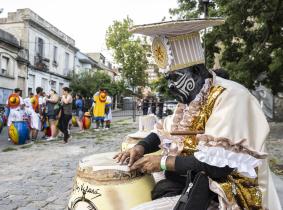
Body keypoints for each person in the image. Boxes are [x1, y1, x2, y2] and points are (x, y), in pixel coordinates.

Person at [115, 19, 281, 210]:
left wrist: (162, 162)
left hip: (230, 191)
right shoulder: (191, 100)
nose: (170, 86)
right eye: (168, 79)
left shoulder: (231, 96)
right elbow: (165, 130)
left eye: (175, 78)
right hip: (196, 183)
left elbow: (219, 166)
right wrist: (141, 147)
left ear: (196, 71)